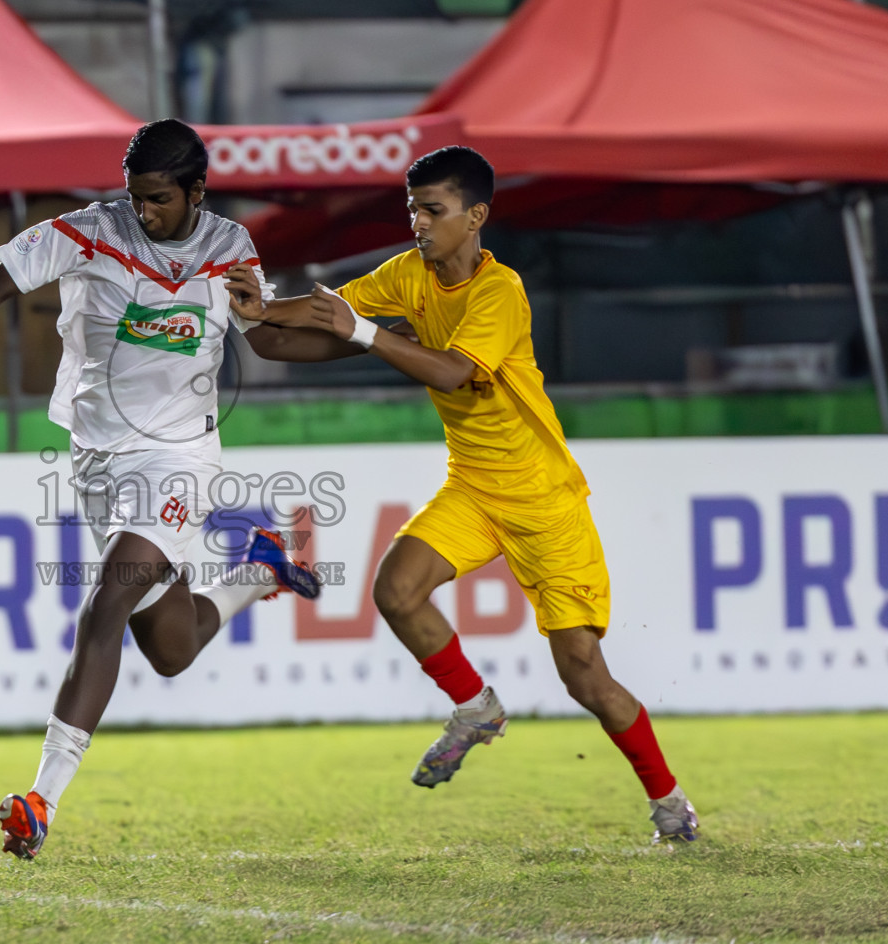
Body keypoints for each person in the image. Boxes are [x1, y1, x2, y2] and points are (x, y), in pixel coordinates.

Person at [224, 146, 699, 843]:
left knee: (584, 678)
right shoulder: (408, 275)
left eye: (433, 210)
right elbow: (314, 321)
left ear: (476, 216)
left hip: (543, 501)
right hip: (474, 488)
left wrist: (359, 334)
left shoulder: (499, 291)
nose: (418, 221)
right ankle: (476, 708)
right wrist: (253, 313)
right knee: (396, 589)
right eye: (412, 208)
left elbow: (448, 373)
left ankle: (669, 804)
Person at [0, 119, 318, 860]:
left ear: (197, 191)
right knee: (171, 650)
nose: (144, 212)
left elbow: (264, 335)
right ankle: (261, 569)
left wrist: (361, 337)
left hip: (182, 460)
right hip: (98, 462)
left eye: (158, 199)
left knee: (105, 601)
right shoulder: (88, 232)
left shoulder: (231, 248)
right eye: (134, 196)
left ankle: (40, 801)